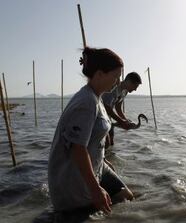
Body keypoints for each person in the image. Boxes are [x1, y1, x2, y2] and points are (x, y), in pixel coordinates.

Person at [48, 47, 133, 215]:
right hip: (74, 180)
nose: (117, 82)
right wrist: (96, 189)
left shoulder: (97, 97)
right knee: (105, 211)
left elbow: (93, 139)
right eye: (115, 77)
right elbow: (77, 148)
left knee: (126, 198)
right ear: (100, 74)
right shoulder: (86, 103)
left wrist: (103, 160)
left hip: (99, 167)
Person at [102, 72, 142, 146]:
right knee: (106, 143)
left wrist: (125, 120)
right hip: (100, 117)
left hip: (108, 117)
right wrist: (121, 121)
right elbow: (107, 108)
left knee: (111, 142)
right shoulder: (113, 88)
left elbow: (118, 107)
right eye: (135, 86)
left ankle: (109, 156)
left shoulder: (125, 91)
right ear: (129, 82)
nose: (136, 89)